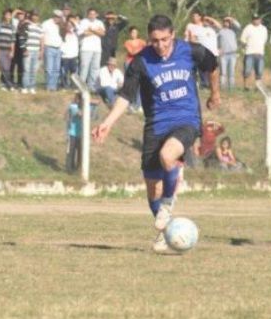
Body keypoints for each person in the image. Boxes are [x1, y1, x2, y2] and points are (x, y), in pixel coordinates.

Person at [93, 14, 220, 254]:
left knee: (168, 156)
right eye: (154, 41)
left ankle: (168, 204)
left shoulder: (192, 51)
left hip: (186, 120)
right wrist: (107, 123)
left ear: (173, 34)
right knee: (153, 188)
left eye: (164, 39)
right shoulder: (141, 62)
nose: (160, 45)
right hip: (155, 125)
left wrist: (215, 94)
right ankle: (165, 234)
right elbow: (126, 96)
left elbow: (212, 66)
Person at [77, 8, 105, 91]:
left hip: (97, 49)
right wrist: (96, 31)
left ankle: (92, 86)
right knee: (84, 67)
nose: (92, 15)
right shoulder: (83, 22)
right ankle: (81, 86)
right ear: (88, 14)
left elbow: (102, 33)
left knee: (95, 67)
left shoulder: (99, 22)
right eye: (90, 14)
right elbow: (82, 33)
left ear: (96, 14)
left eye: (94, 14)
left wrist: (91, 30)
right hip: (86, 48)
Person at [240, 14, 268, 90]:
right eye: (254, 19)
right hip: (249, 53)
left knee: (259, 72)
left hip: (260, 53)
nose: (256, 20)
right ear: (252, 20)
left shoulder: (264, 29)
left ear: (260, 20)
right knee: (247, 71)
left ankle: (257, 87)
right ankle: (246, 86)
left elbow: (265, 40)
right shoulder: (248, 28)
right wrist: (245, 47)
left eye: (257, 19)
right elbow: (242, 39)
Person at [123, 26, 146, 112]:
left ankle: (138, 104)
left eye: (135, 32)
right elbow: (132, 52)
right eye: (132, 32)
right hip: (129, 62)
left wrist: (139, 50)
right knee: (130, 84)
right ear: (130, 33)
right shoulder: (127, 42)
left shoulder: (142, 41)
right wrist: (141, 49)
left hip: (139, 63)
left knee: (140, 84)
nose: (134, 34)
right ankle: (130, 102)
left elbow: (145, 50)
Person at [216, 17, 241, 91]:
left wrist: (231, 19)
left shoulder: (234, 31)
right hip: (223, 55)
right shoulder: (220, 31)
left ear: (230, 23)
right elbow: (214, 39)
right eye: (225, 22)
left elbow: (238, 26)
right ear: (223, 23)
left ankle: (231, 88)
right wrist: (218, 49)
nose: (226, 23)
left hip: (233, 54)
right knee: (223, 73)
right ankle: (222, 88)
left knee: (231, 73)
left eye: (228, 22)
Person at [21, 10, 43, 94]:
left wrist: (41, 51)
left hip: (36, 50)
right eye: (34, 15)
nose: (35, 17)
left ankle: (32, 86)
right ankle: (25, 87)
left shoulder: (40, 26)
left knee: (34, 70)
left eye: (37, 15)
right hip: (28, 50)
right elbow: (22, 38)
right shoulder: (26, 25)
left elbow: (41, 39)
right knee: (26, 69)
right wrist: (24, 49)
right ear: (31, 16)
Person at [0, 9, 17, 91]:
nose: (8, 16)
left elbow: (13, 40)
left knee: (7, 68)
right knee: (3, 67)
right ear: (4, 15)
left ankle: (3, 84)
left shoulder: (12, 27)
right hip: (0, 49)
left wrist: (12, 51)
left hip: (8, 50)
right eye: (7, 15)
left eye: (9, 15)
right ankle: (9, 84)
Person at [42, 10, 64, 91]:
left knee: (56, 69)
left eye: (59, 17)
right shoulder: (46, 23)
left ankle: (53, 87)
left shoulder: (61, 25)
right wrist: (42, 49)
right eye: (56, 16)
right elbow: (42, 36)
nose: (57, 18)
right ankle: (48, 86)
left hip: (58, 49)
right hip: (49, 48)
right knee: (49, 68)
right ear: (53, 15)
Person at [59, 15, 80, 89]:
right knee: (64, 73)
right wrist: (66, 24)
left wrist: (74, 22)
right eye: (68, 24)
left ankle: (73, 86)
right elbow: (62, 28)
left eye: (71, 25)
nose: (70, 26)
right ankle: (64, 86)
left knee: (74, 73)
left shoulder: (76, 32)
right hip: (65, 56)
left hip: (74, 55)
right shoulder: (63, 32)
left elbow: (80, 29)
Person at [65, 93, 83, 173]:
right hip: (72, 133)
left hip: (79, 133)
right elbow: (79, 114)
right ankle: (70, 168)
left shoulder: (82, 107)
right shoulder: (73, 106)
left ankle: (78, 167)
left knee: (80, 151)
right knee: (71, 151)